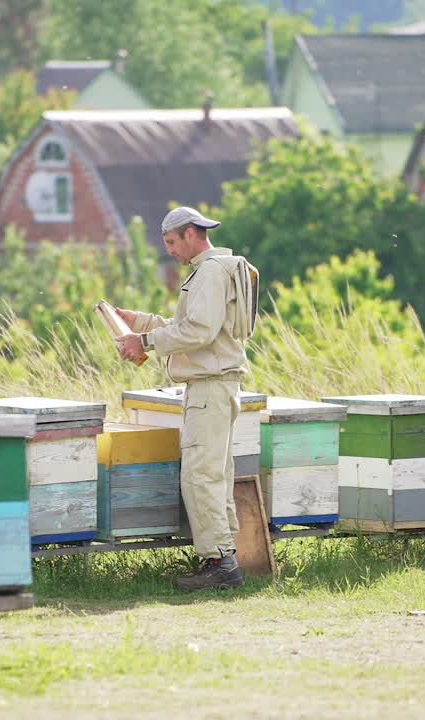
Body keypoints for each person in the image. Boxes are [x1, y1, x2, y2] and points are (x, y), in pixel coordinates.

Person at [115, 206, 259, 591]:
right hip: (218, 385)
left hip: (210, 387)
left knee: (200, 477)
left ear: (192, 233)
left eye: (172, 242)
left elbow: (198, 332)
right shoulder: (216, 270)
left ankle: (221, 564)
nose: (170, 251)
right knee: (214, 474)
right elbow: (191, 328)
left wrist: (143, 342)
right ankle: (224, 558)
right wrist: (141, 323)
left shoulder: (210, 272)